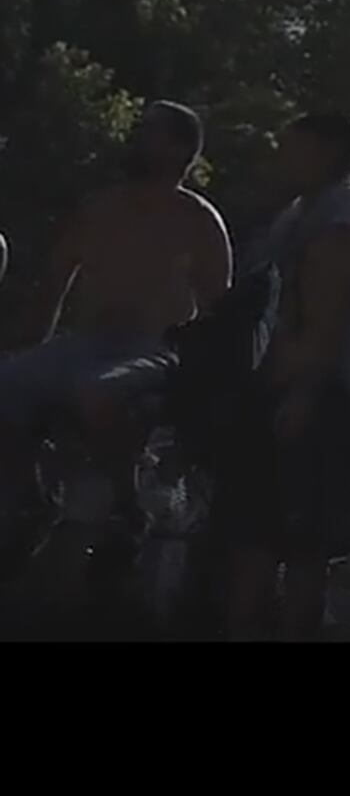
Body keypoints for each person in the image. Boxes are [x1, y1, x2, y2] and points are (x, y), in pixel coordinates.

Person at [0, 102, 231, 515]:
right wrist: (26, 349)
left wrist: (202, 386)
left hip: (155, 350)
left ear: (179, 149)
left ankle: (128, 506)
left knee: (96, 392)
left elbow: (219, 316)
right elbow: (53, 286)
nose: (136, 137)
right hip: (84, 344)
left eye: (149, 131)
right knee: (8, 385)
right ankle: (32, 502)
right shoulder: (98, 208)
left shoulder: (199, 221)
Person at [225, 111, 350, 640]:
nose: (281, 157)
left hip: (319, 399)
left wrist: (307, 388)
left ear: (326, 152)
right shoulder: (298, 212)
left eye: (292, 148)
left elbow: (333, 304)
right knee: (254, 539)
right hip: (278, 389)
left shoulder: (348, 209)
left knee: (304, 550)